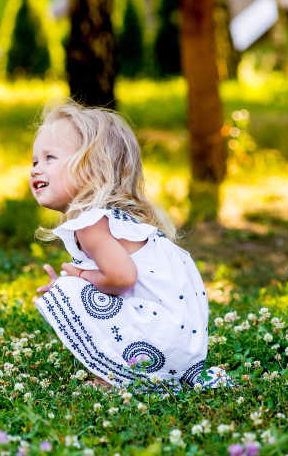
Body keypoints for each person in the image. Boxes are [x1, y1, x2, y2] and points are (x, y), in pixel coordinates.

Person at [31, 101, 231, 391]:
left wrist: (77, 282)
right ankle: (137, 374)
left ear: (92, 168)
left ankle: (117, 377)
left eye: (50, 158)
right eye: (35, 160)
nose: (37, 169)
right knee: (70, 286)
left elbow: (123, 278)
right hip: (183, 347)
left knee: (71, 285)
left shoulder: (91, 224)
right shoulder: (115, 221)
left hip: (160, 341)